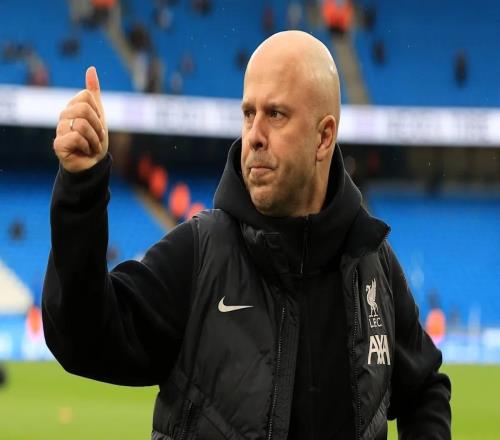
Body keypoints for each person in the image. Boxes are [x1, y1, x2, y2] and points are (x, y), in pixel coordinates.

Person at [43, 31, 451, 439]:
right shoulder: (199, 255)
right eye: (248, 113)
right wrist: (80, 188)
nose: (253, 134)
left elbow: (424, 388)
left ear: (324, 137)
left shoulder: (373, 264)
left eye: (275, 114)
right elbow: (82, 339)